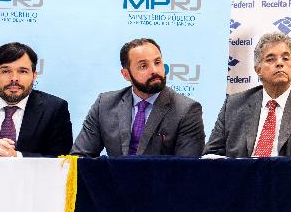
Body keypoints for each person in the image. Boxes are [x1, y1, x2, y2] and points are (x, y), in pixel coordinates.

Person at [204, 32, 291, 157]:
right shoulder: (233, 105)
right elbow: (210, 155)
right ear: (258, 70)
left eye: (285, 58)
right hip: (242, 173)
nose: (279, 63)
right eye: (271, 59)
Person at [71, 38, 205, 157]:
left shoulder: (186, 110)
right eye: (143, 66)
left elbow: (187, 168)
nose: (154, 70)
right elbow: (80, 156)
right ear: (126, 74)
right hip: (113, 177)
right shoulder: (105, 104)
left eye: (157, 62)